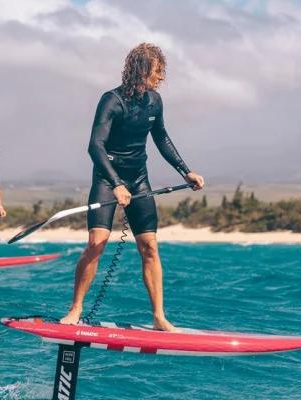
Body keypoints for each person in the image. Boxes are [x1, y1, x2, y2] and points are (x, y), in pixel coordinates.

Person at [60, 43, 204, 332]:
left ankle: (159, 317)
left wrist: (185, 171)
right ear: (141, 71)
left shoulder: (155, 101)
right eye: (157, 71)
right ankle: (76, 308)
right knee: (96, 244)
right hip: (107, 177)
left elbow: (161, 138)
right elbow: (95, 146)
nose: (161, 77)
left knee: (150, 247)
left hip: (138, 178)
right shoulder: (111, 100)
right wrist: (115, 184)